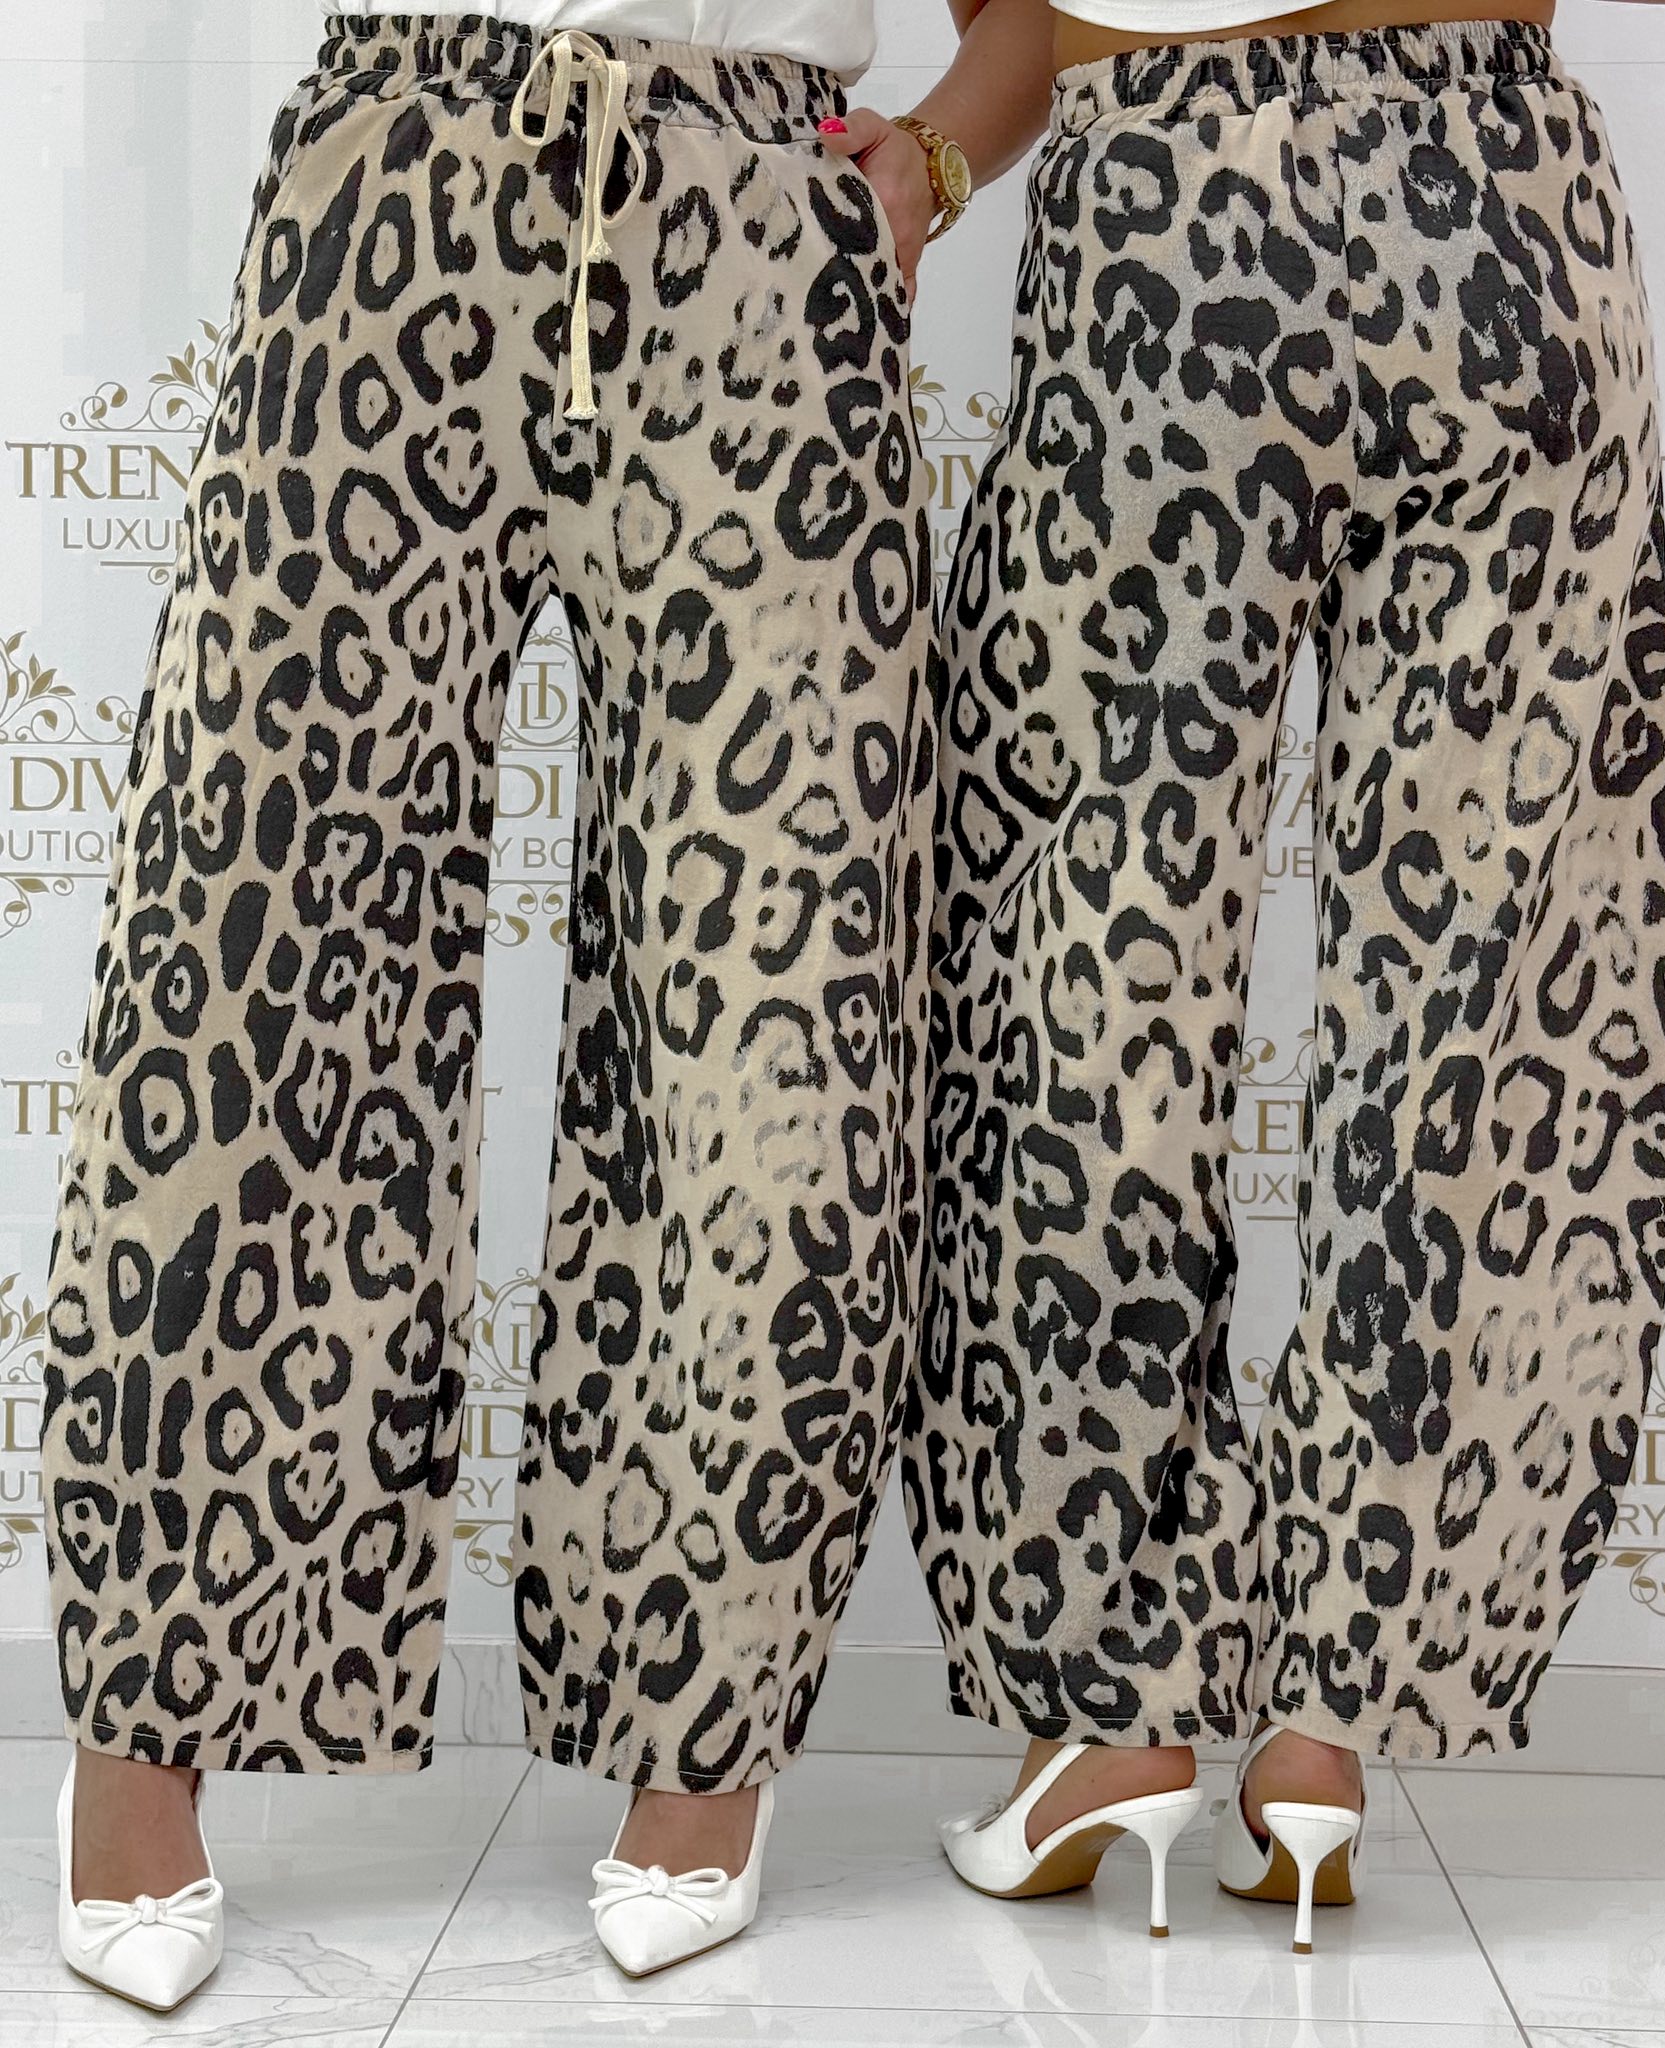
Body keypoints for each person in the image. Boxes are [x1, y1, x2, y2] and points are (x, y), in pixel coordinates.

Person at [38, 0, 1036, 2005]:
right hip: (399, 168)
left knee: (778, 1005)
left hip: (765, 234)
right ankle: (151, 1715)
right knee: (251, 960)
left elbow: (1016, 21)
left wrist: (926, 165)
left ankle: (700, 1728)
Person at [910, 0, 1665, 1953]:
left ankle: (1117, 1702)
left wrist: (944, 141)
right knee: (1478, 995)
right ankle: (1325, 1728)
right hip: (1504, 197)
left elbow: (1005, 14)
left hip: (1170, 213)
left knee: (1088, 956)